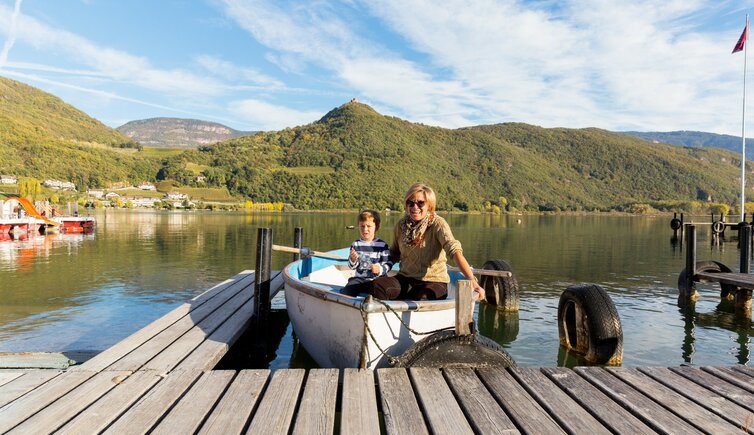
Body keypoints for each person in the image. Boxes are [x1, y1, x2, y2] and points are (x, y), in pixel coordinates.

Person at [371, 183, 485, 301]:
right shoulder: (401, 225)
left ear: (429, 206)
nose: (415, 207)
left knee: (422, 297)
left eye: (420, 203)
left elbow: (454, 251)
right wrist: (378, 267)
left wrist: (472, 281)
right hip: (406, 278)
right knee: (378, 286)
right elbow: (394, 253)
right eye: (411, 202)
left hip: (435, 281)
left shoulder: (438, 224)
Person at [341, 210, 393, 296]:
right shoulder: (355, 244)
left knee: (381, 291)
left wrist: (379, 269)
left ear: (376, 227)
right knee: (348, 290)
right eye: (362, 226)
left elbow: (388, 263)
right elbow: (352, 266)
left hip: (376, 280)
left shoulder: (382, 245)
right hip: (359, 279)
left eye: (369, 226)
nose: (365, 229)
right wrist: (353, 260)